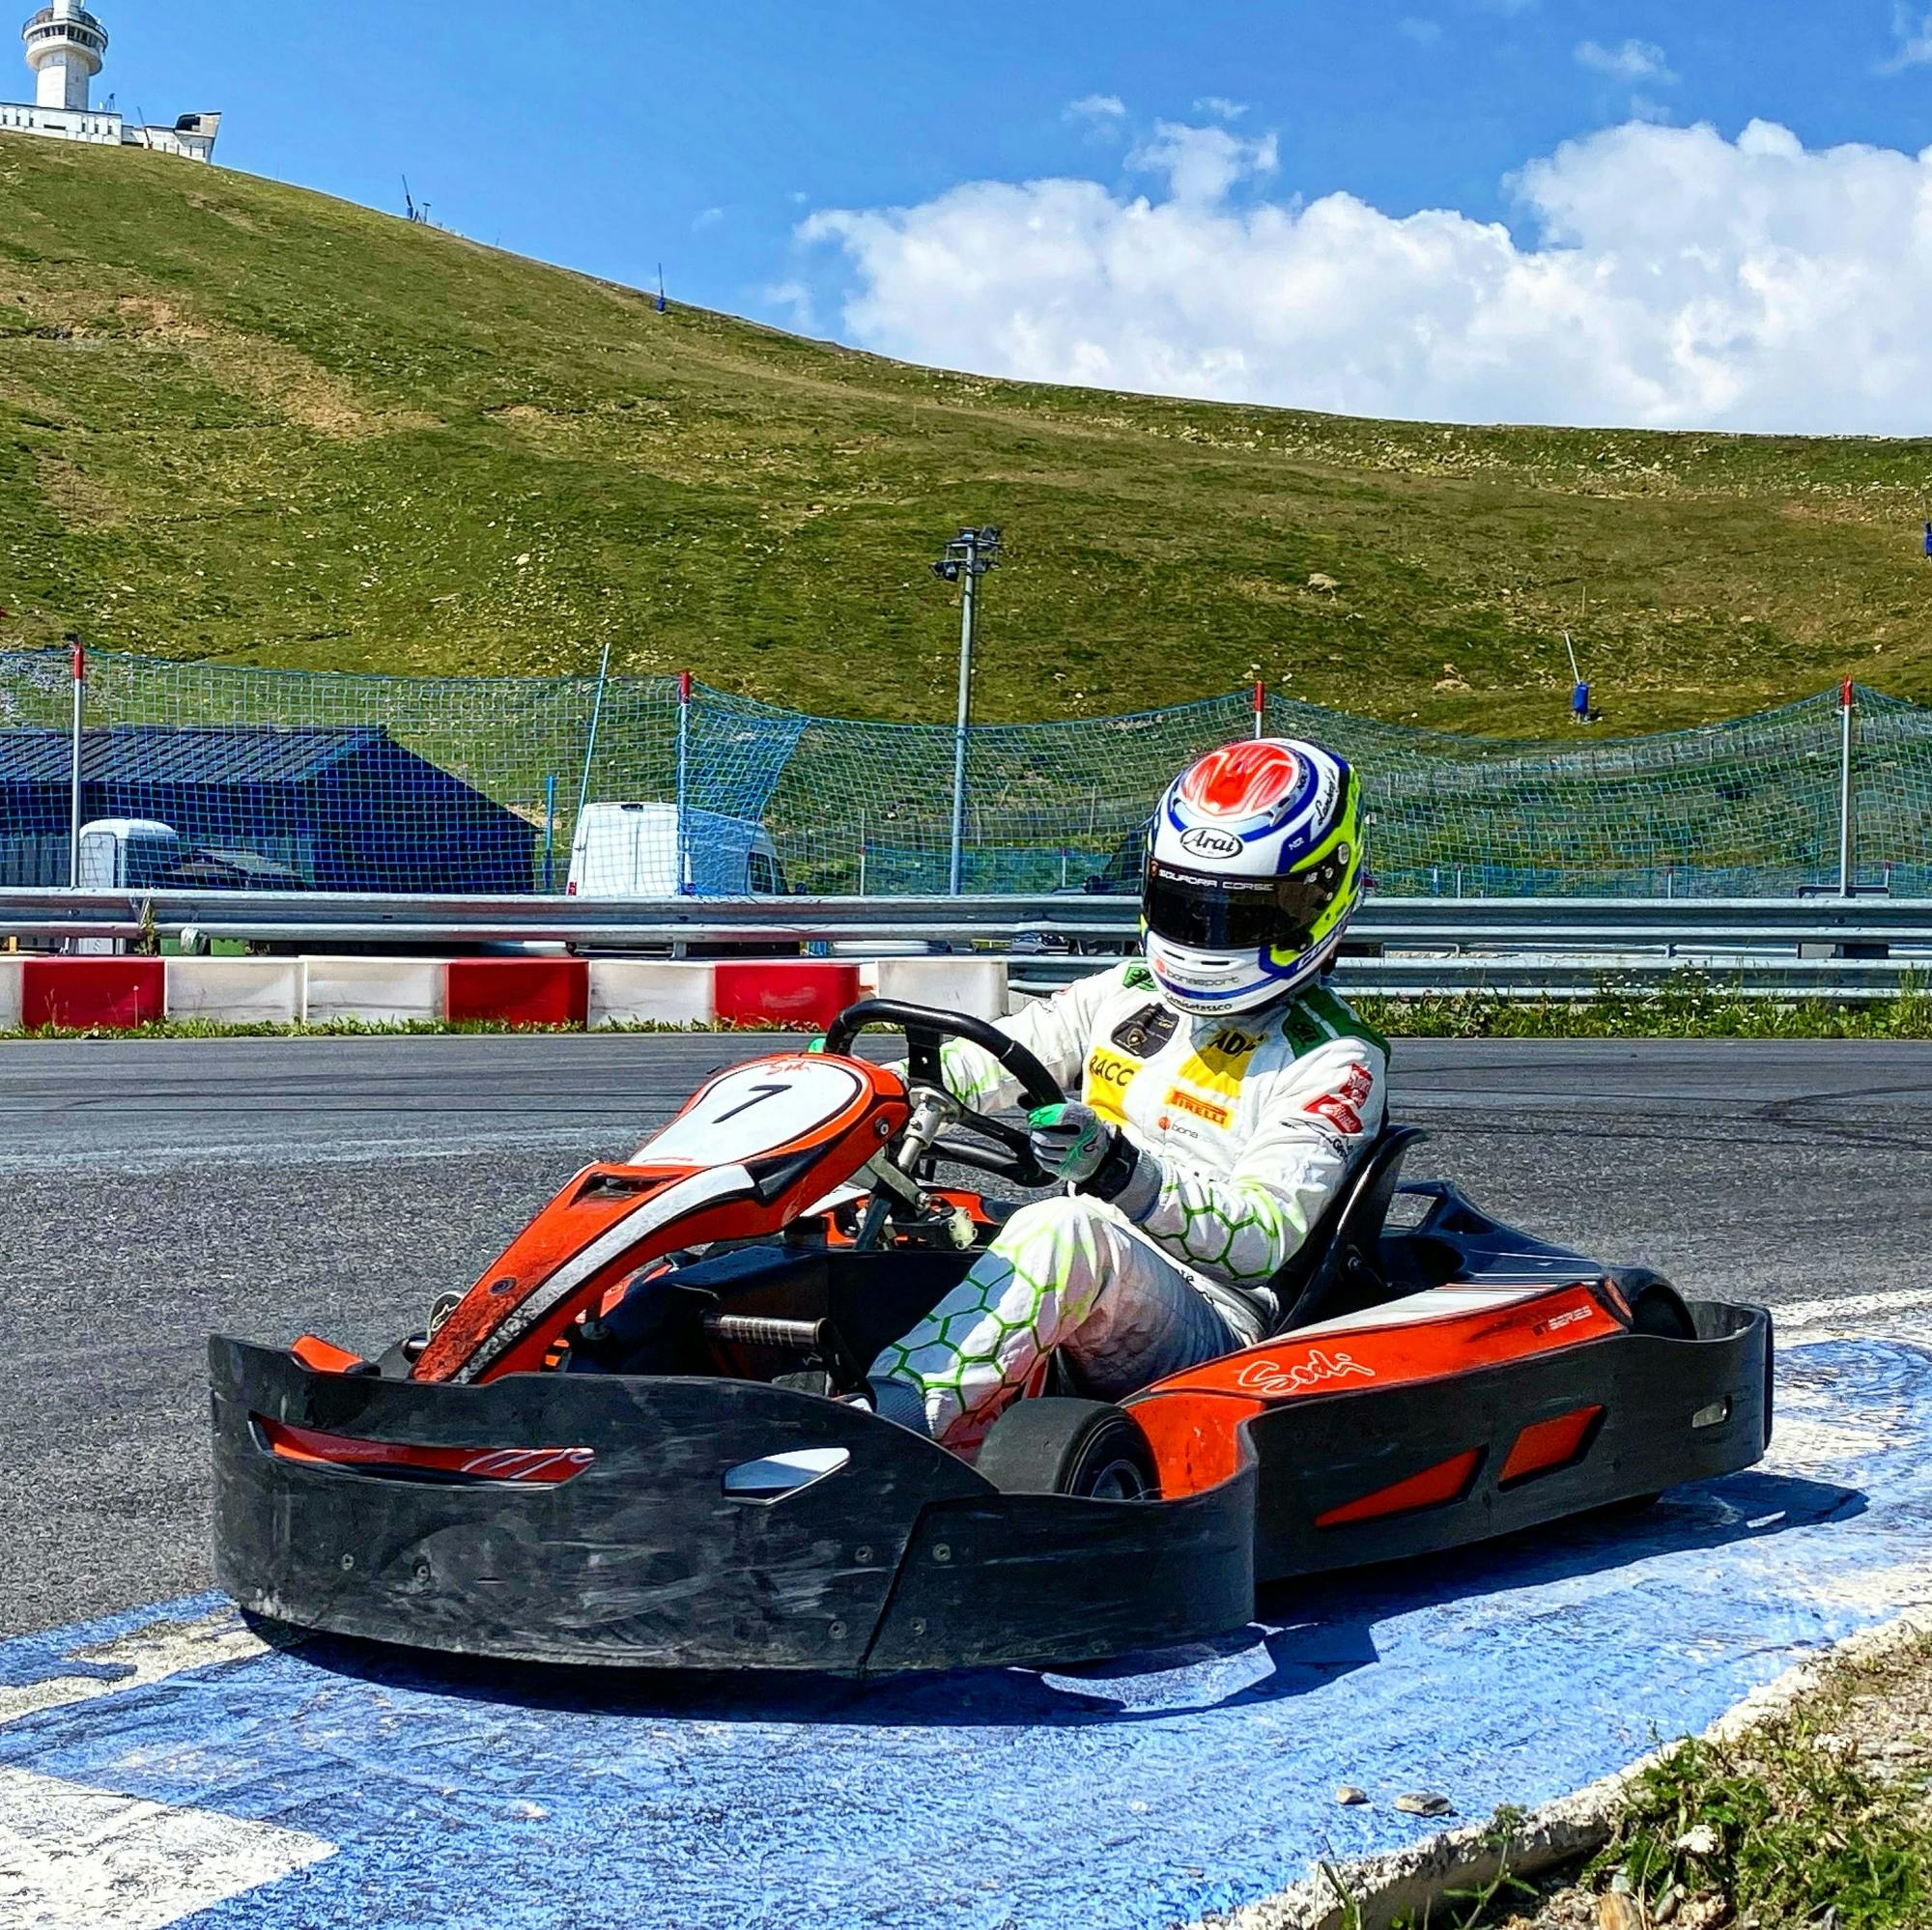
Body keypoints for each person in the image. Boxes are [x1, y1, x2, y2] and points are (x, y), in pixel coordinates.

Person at [867, 737, 1388, 1452]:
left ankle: (881, 1430)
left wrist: (1117, 1168)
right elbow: (985, 1061)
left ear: (1321, 898)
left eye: (1242, 914)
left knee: (1065, 1229)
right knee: (866, 1198)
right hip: (1093, 1279)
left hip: (1214, 1320)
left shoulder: (1335, 1060)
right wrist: (865, 1090)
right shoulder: (1124, 996)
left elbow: (1260, 1241)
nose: (1206, 934)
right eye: (1184, 904)